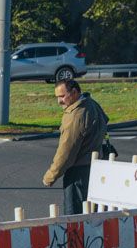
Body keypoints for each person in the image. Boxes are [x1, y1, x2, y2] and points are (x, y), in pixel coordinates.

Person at [43, 79, 108, 215]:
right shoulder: (92, 104)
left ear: (74, 92)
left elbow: (66, 151)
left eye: (62, 96)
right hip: (95, 168)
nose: (59, 101)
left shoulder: (76, 115)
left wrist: (51, 176)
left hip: (78, 172)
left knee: (74, 217)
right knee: (92, 214)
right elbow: (105, 121)